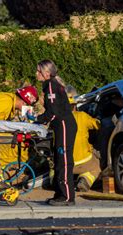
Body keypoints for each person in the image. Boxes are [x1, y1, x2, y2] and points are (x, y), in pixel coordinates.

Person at [34, 59, 77, 206]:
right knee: (59, 159)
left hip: (64, 125)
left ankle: (67, 196)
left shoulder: (52, 86)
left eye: (38, 71)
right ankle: (60, 193)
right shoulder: (50, 85)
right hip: (60, 125)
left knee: (63, 159)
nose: (36, 74)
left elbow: (53, 112)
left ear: (46, 73)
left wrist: (37, 119)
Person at [66, 85, 101, 192]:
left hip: (64, 163)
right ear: (75, 105)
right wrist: (99, 118)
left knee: (53, 163)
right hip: (82, 161)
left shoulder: (57, 118)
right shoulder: (82, 116)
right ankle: (85, 180)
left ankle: (56, 180)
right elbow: (97, 125)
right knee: (96, 166)